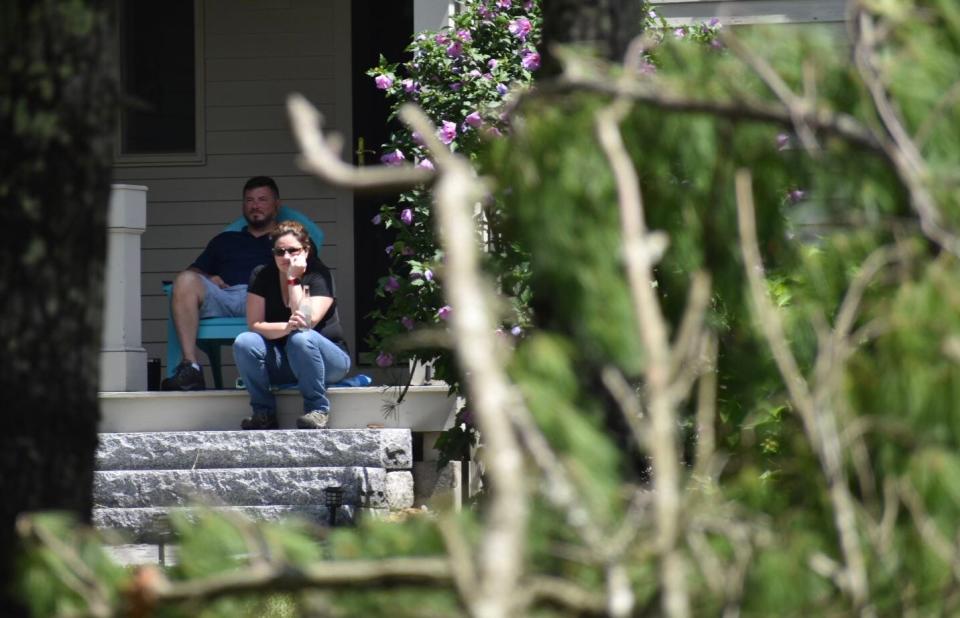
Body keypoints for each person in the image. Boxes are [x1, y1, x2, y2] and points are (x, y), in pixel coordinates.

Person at [160, 176, 280, 391]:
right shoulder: (225, 240)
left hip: (265, 298)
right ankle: (191, 368)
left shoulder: (287, 241)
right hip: (224, 296)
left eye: (262, 199)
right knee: (184, 279)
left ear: (276, 205)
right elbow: (192, 272)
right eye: (249, 200)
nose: (255, 205)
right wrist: (208, 278)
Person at [233, 220, 350, 430]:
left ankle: (317, 410)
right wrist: (286, 327)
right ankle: (263, 413)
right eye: (280, 251)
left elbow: (306, 323)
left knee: (301, 338)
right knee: (244, 342)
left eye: (293, 251)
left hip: (328, 361)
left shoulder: (319, 274)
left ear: (305, 250)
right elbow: (255, 324)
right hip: (287, 360)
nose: (286, 257)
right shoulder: (262, 275)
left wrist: (293, 279)